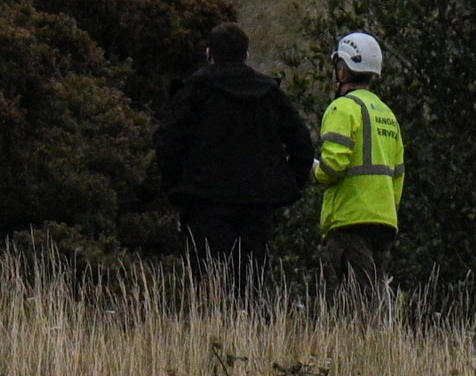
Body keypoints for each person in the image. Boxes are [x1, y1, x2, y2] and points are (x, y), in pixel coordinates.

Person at [149, 19, 312, 285]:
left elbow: (167, 141)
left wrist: (177, 189)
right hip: (256, 205)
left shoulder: (195, 90)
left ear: (209, 54)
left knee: (209, 285)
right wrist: (287, 189)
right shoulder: (269, 92)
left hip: (205, 203)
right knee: (249, 285)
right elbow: (302, 144)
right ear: (246, 55)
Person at [313, 26, 407, 308]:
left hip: (350, 219)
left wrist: (311, 168)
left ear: (343, 70)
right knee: (373, 299)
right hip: (384, 221)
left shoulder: (342, 108)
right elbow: (398, 175)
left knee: (347, 305)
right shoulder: (387, 114)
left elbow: (332, 167)